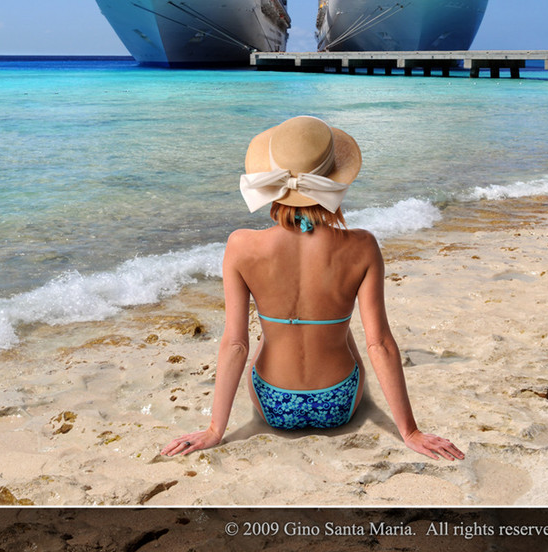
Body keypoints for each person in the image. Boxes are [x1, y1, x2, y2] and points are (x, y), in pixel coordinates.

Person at [161, 115, 464, 462]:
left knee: (268, 330)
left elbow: (235, 343)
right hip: (338, 403)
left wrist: (215, 428)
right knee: (341, 322)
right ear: (333, 179)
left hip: (274, 405)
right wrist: (409, 432)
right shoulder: (363, 246)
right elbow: (379, 343)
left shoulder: (241, 246)